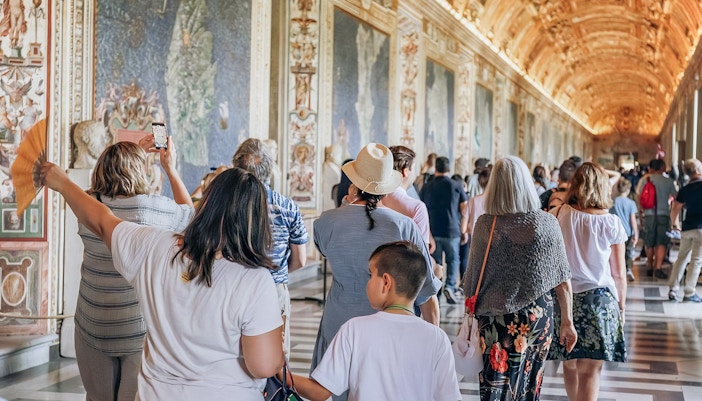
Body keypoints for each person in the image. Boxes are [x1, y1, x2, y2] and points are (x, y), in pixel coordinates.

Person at [41, 165, 285, 400]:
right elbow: (262, 366)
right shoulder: (254, 280)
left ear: (206, 206)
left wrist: (63, 183)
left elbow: (102, 221)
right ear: (256, 221)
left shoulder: (154, 246)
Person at [312, 143, 442, 401]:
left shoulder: (325, 222)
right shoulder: (405, 226)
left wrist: (346, 206)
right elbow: (426, 292)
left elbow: (326, 248)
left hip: (339, 321)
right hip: (391, 329)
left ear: (354, 183)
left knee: (338, 391)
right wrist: (432, 341)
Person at [71, 138, 194, 401]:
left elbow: (95, 188)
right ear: (140, 170)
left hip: (92, 320)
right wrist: (170, 168)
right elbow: (190, 215)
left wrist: (126, 152)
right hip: (137, 326)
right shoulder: (154, 209)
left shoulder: (88, 205)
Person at [462, 156, 577, 400]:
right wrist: (567, 321)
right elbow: (563, 281)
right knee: (529, 385)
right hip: (537, 319)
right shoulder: (547, 223)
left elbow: (471, 279)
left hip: (495, 321)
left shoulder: (485, 224)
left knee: (495, 388)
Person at [289, 241, 461, 401]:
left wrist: (281, 372)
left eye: (371, 275)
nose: (368, 282)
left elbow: (319, 392)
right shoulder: (437, 337)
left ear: (386, 282)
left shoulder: (354, 329)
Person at [549, 162, 627, 401]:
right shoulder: (611, 223)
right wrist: (621, 308)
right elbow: (619, 273)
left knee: (569, 363)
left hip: (565, 299)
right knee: (591, 371)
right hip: (599, 301)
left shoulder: (559, 214)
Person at [232, 138, 309, 357]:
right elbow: (300, 260)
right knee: (275, 355)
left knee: (237, 353)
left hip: (234, 287)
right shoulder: (287, 206)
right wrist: (276, 272)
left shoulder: (228, 205)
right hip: (274, 288)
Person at [420, 156, 468, 304]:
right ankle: (450, 286)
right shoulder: (456, 185)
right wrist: (464, 230)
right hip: (452, 229)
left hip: (433, 230)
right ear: (448, 168)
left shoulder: (427, 186)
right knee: (453, 260)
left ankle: (437, 289)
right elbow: (464, 208)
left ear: (436, 168)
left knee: (437, 262)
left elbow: (422, 208)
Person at [635, 159, 677, 279]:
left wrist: (641, 211)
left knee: (649, 240)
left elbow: (639, 195)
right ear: (662, 167)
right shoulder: (668, 181)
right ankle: (658, 267)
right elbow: (675, 197)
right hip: (663, 214)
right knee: (661, 241)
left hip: (649, 214)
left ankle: (649, 265)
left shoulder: (645, 179)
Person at [668, 158, 702, 302]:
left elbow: (675, 208)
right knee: (696, 260)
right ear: (697, 170)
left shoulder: (685, 189)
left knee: (681, 258)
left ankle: (673, 289)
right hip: (701, 228)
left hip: (687, 228)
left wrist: (674, 224)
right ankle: (689, 292)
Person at [610, 178, 639, 282]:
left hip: (616, 232)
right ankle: (629, 270)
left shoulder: (613, 201)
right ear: (628, 190)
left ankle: (618, 270)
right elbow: (633, 220)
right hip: (628, 232)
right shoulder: (631, 203)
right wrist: (636, 233)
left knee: (617, 253)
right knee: (629, 252)